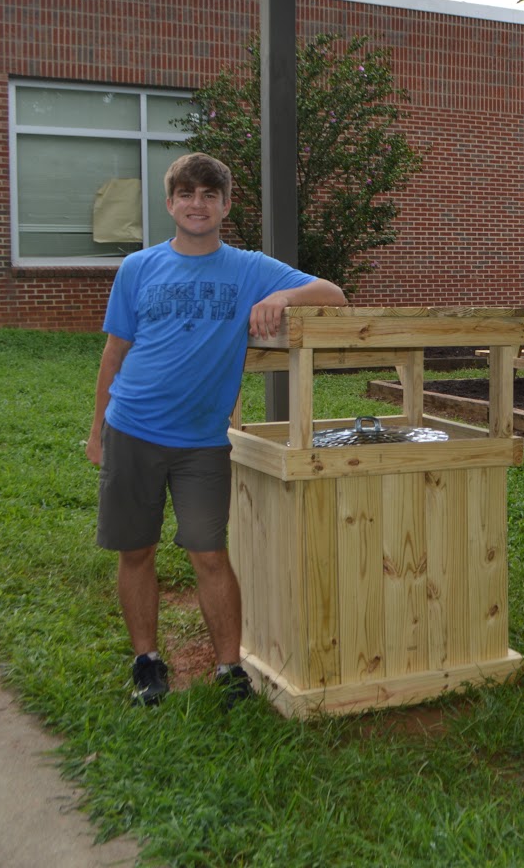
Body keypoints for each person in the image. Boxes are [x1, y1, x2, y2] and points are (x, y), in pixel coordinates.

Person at [85, 152, 346, 707]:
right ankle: (147, 662)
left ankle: (230, 669)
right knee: (137, 551)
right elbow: (114, 354)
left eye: (208, 194)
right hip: (131, 428)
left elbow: (333, 294)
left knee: (209, 554)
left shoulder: (249, 268)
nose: (196, 204)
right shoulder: (138, 268)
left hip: (203, 441)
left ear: (226, 205)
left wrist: (280, 295)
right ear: (169, 203)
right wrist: (97, 431)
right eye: (186, 194)